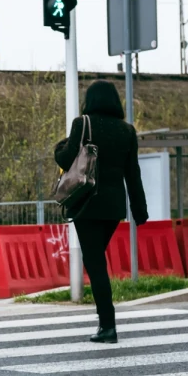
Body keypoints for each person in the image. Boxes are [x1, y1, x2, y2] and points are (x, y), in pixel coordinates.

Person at [54, 80, 149, 344]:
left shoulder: (83, 124)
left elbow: (65, 159)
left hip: (86, 203)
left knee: (94, 262)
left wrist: (59, 148)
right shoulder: (127, 131)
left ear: (91, 99)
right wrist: (139, 210)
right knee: (96, 259)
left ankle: (108, 325)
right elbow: (133, 174)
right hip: (114, 208)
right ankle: (106, 324)